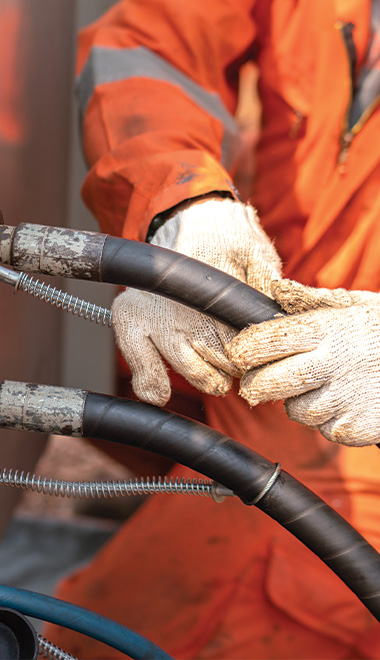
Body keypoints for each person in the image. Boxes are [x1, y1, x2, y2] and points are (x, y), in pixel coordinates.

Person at [44, 1, 380, 658]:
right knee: (100, 634)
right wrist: (182, 207)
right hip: (282, 375)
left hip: (353, 442)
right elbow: (147, 43)